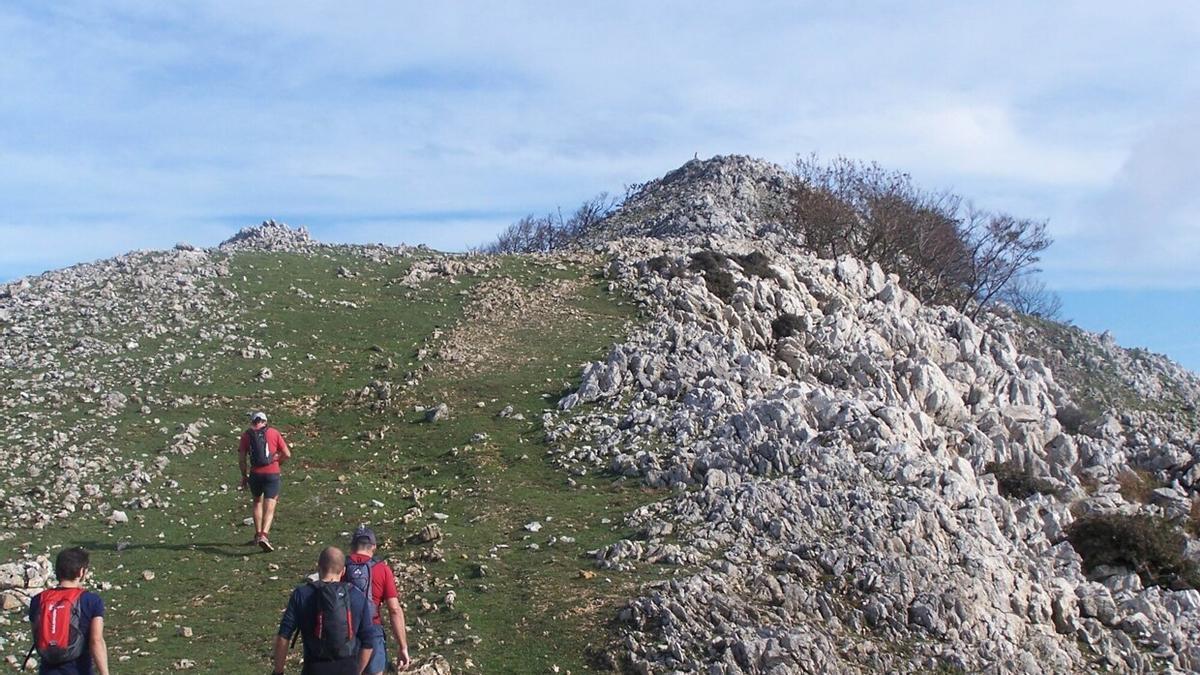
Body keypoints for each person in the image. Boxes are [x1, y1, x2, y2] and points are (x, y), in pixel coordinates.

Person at [273, 547, 375, 675]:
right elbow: (368, 642)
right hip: (347, 667)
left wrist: (278, 671)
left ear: (319, 567)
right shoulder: (356, 596)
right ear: (343, 571)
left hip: (314, 668)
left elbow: (284, 635)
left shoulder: (302, 594)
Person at [26, 547, 109, 675]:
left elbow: (38, 636)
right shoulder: (91, 601)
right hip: (79, 670)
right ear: (81, 572)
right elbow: (96, 641)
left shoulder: (38, 600)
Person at [342, 526, 411, 673]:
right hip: (373, 631)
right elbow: (394, 609)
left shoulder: (340, 567)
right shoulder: (382, 569)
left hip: (345, 632)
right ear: (373, 546)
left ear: (352, 546)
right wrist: (402, 646)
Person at [238, 410, 291, 552]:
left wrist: (244, 476)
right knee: (270, 505)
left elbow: (242, 459)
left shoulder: (246, 436)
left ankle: (257, 534)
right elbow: (287, 454)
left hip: (255, 474)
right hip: (272, 473)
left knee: (257, 502)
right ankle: (264, 535)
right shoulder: (274, 432)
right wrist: (277, 462)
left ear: (252, 422)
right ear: (265, 422)